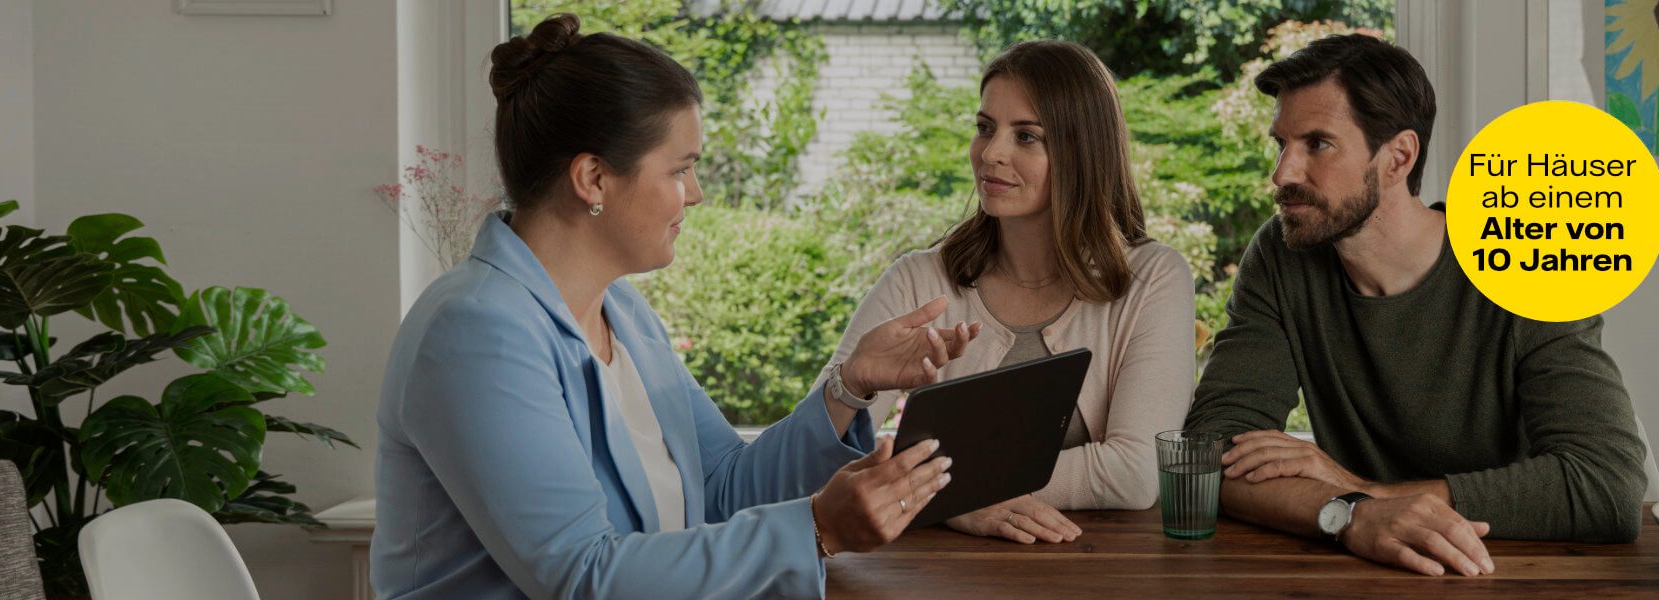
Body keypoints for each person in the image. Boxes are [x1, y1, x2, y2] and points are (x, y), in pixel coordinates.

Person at [373, 14, 981, 599]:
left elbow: (722, 487)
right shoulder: (476, 333)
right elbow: (581, 576)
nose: (696, 194)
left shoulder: (624, 314)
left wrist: (849, 387)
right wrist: (817, 528)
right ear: (593, 179)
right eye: (681, 169)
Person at [1184, 34, 1648, 578]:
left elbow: (1606, 486)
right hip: (1355, 569)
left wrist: (1365, 492)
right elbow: (1208, 450)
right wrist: (1350, 516)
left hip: (1506, 568)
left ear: (1399, 157)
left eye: (1318, 144)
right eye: (1281, 145)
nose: (1283, 174)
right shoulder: (1282, 252)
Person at [821, 40, 1197, 545]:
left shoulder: (1153, 279)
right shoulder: (918, 280)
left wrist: (954, 490)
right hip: (933, 576)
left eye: (1026, 136)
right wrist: (852, 384)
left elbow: (1135, 471)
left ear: (1082, 150)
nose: (991, 153)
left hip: (1101, 570)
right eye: (985, 128)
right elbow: (827, 464)